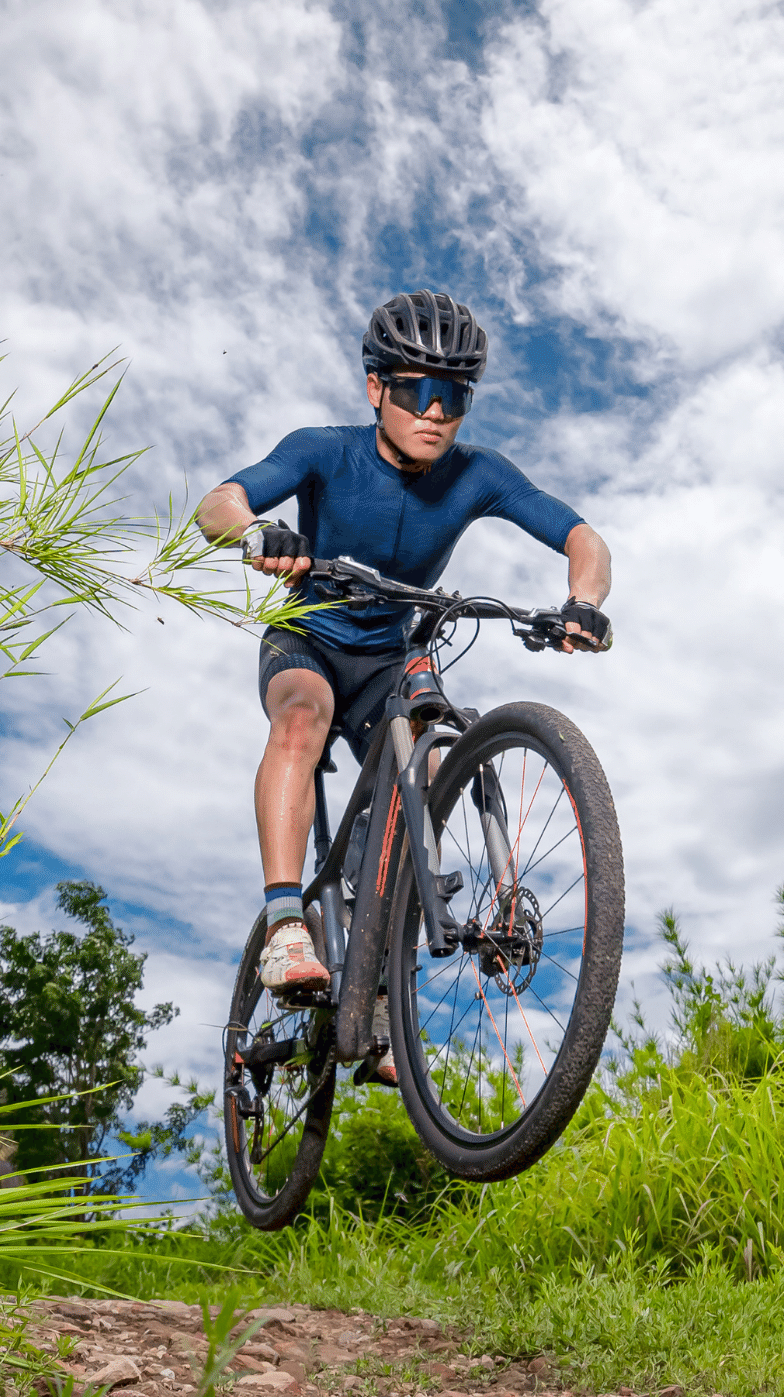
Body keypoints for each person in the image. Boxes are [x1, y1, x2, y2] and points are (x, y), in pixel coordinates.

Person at [195, 290, 612, 1081]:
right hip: (310, 642)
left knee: (422, 768)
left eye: (452, 397)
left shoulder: (477, 473)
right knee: (300, 721)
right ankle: (288, 920)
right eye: (416, 390)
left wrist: (583, 602)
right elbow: (218, 502)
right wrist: (257, 531)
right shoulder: (326, 450)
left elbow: (583, 537)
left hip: (391, 657)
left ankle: (380, 982)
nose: (434, 412)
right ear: (374, 389)